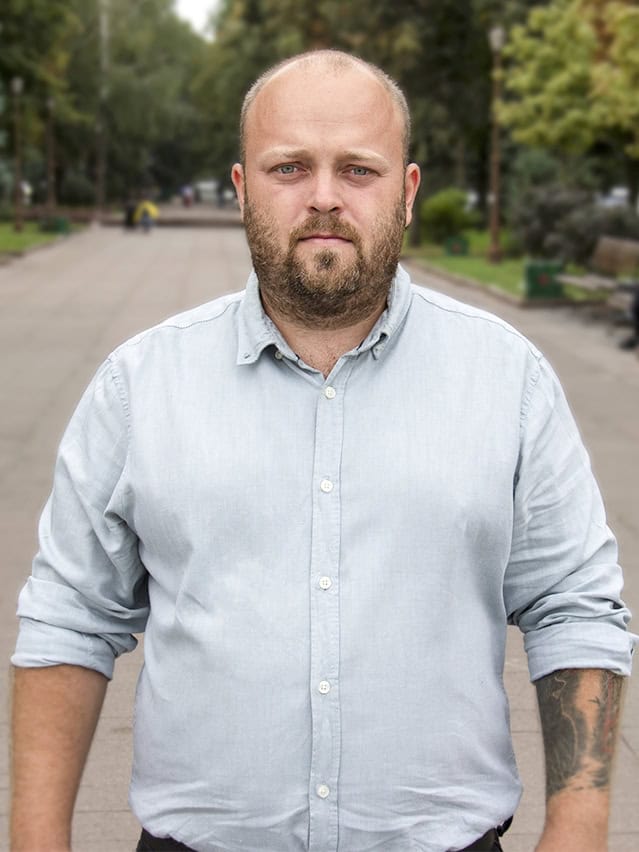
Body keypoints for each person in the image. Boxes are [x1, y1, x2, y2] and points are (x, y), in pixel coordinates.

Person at [10, 50, 636, 852]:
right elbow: (69, 618)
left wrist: (577, 830)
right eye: (290, 167)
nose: (325, 197)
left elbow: (573, 606)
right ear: (243, 187)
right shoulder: (139, 386)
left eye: (358, 169)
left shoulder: (506, 379)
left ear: (406, 191)